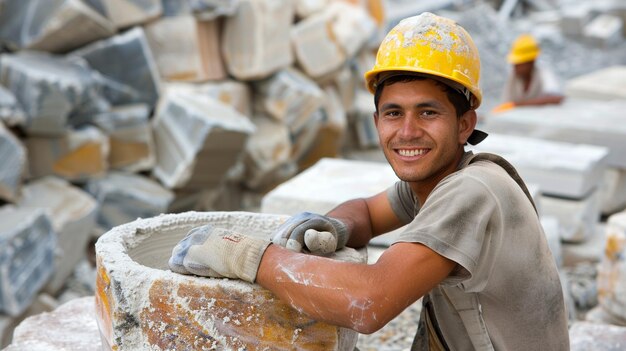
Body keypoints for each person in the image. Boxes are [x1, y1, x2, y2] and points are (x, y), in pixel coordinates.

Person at [168, 12, 570, 350]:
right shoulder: (438, 180)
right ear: (376, 121)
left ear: (465, 124)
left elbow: (368, 301)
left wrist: (244, 255)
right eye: (393, 113)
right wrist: (334, 225)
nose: (407, 131)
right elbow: (366, 211)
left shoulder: (472, 192)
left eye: (428, 113)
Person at [494, 33, 564, 113]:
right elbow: (506, 104)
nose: (515, 67)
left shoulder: (543, 74)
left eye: (519, 63)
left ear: (531, 62)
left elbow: (557, 98)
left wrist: (517, 105)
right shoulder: (513, 78)